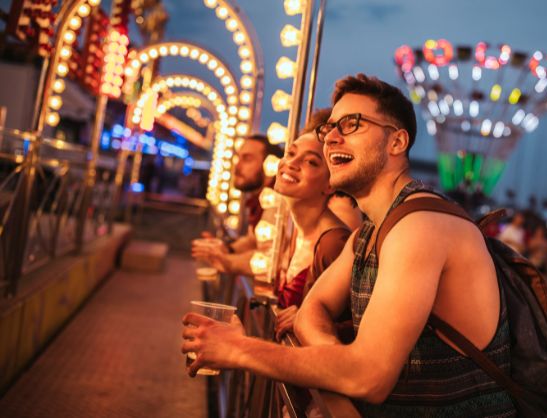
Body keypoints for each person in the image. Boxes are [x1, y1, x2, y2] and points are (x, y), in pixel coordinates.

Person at [182, 74, 515, 416]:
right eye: (329, 128)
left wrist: (239, 350)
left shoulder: (421, 226)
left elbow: (368, 377)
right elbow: (312, 310)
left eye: (352, 124)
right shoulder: (368, 233)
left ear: (397, 142)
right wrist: (335, 360)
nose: (332, 138)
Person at [272, 108, 352, 339]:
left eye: (311, 162)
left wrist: (309, 319)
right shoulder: (295, 230)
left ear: (330, 184)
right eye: (290, 152)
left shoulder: (334, 244)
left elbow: (359, 324)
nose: (291, 164)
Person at [192, 133, 283, 275]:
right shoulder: (260, 198)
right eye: (238, 157)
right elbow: (253, 240)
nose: (237, 166)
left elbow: (270, 257)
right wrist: (226, 248)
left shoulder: (278, 201)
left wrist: (225, 260)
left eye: (247, 159)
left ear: (270, 163)